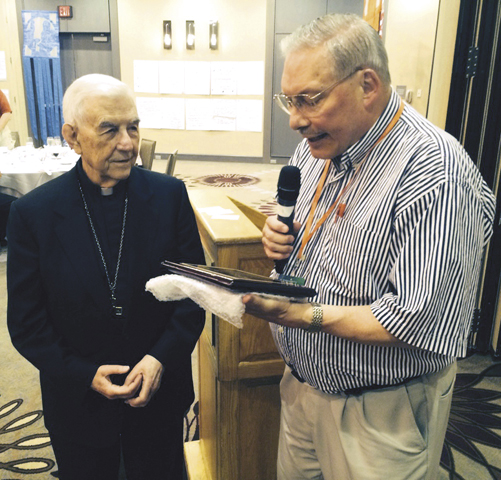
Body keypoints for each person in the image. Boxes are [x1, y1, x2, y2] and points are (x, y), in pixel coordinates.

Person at [243, 13, 496, 480]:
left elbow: (417, 317)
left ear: (367, 85)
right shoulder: (318, 146)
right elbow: (316, 240)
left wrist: (305, 317)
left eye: (309, 100)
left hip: (379, 410)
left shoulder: (433, 170)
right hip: (302, 387)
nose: (296, 120)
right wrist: (280, 240)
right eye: (289, 101)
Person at [7, 74, 205, 480]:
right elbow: (26, 324)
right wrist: (83, 374)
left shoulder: (169, 197)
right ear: (73, 137)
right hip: (78, 404)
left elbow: (195, 296)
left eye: (133, 127)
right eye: (110, 129)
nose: (128, 143)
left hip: (159, 397)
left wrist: (159, 358)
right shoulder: (35, 214)